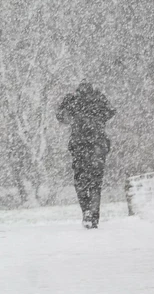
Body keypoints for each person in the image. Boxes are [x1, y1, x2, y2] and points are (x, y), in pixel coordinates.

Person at [57, 81, 115, 229]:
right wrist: (98, 119)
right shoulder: (98, 98)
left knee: (81, 181)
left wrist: (73, 118)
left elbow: (60, 115)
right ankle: (93, 214)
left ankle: (87, 211)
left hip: (79, 146)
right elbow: (110, 112)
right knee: (95, 182)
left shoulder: (72, 100)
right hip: (97, 145)